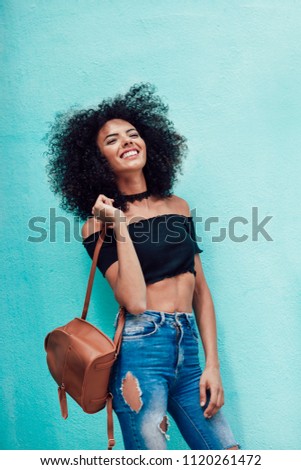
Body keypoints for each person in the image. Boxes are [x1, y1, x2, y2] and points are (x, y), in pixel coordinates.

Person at [46, 83, 240, 450]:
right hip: (142, 353)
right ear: (96, 159)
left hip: (189, 351)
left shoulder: (178, 206)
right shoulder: (96, 228)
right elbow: (134, 301)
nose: (126, 142)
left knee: (228, 455)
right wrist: (118, 224)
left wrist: (212, 365)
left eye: (132, 135)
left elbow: (201, 292)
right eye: (112, 140)